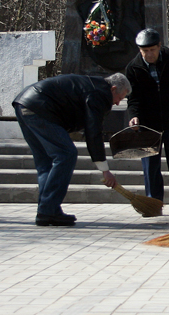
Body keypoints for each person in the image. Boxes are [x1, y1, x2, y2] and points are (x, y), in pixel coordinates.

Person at [12, 73, 130, 226]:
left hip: (24, 103)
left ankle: (48, 210)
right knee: (66, 154)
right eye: (119, 98)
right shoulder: (99, 94)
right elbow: (93, 131)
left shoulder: (92, 85)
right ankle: (47, 210)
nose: (118, 103)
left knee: (45, 162)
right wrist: (104, 169)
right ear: (113, 89)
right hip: (40, 107)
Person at [126, 29, 169, 217]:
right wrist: (134, 115)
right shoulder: (133, 68)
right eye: (145, 51)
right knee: (150, 167)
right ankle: (154, 205)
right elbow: (133, 98)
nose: (149, 54)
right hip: (148, 125)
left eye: (152, 50)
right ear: (139, 50)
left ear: (159, 46)